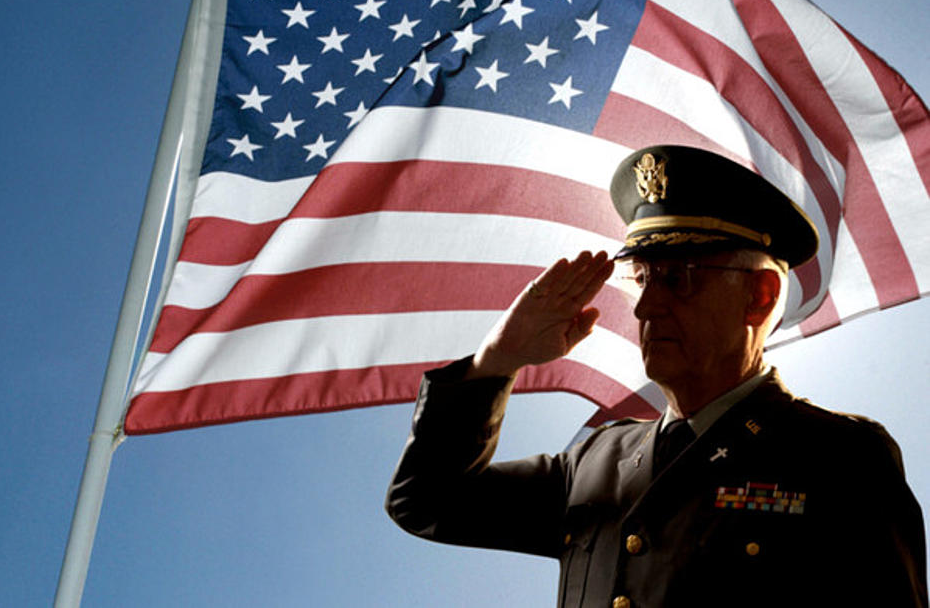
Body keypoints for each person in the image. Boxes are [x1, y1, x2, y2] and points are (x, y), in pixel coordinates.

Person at [386, 145, 927, 607]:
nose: (645, 308)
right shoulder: (597, 459)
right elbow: (427, 502)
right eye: (641, 278)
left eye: (679, 278)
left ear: (759, 297)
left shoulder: (838, 456)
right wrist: (497, 361)